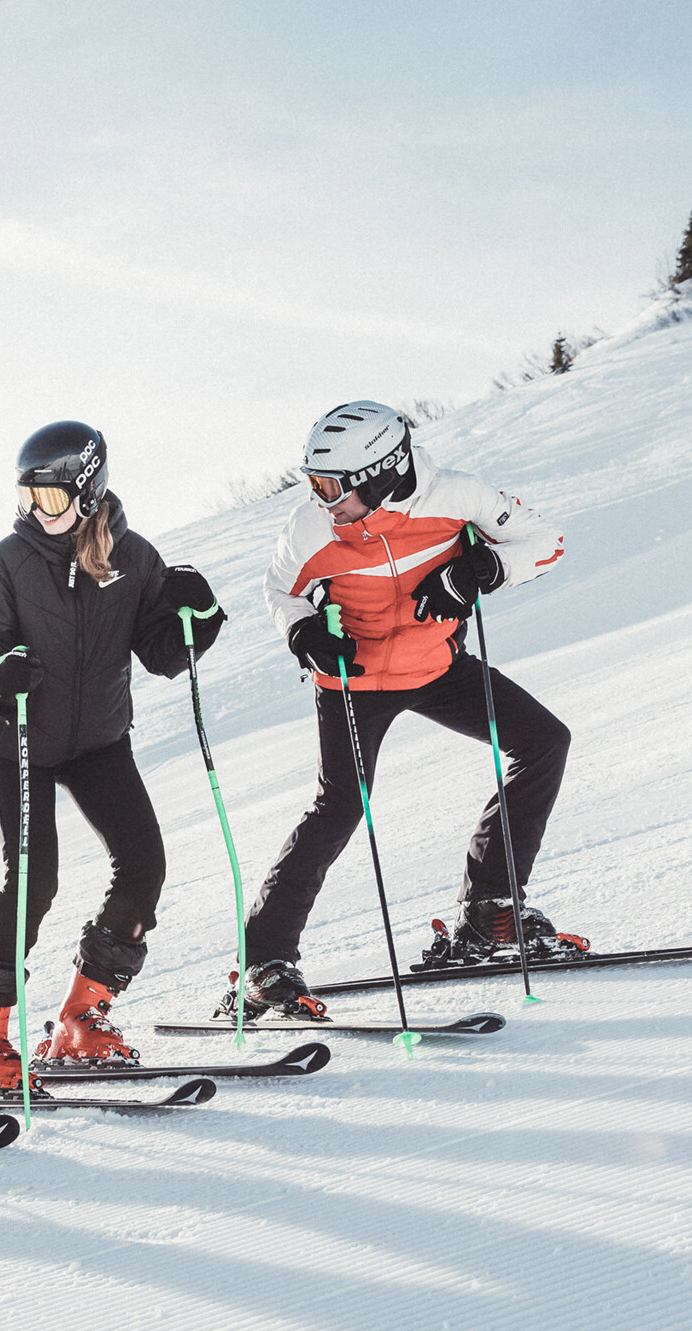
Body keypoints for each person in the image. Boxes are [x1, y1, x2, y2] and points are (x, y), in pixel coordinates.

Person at [226, 400, 577, 1023]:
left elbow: (545, 542)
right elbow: (281, 590)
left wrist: (485, 568)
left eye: (331, 486)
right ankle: (265, 964)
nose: (321, 500)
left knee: (544, 741)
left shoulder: (458, 497)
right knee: (340, 806)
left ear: (380, 474)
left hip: (438, 669)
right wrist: (303, 633)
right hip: (353, 682)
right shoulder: (311, 529)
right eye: (313, 484)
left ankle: (491, 909)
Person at [0, 420, 224, 1085]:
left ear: (87, 490)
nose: (34, 511)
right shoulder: (9, 562)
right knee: (33, 879)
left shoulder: (134, 559)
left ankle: (83, 1016)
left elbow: (163, 654)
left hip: (98, 739)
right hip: (20, 740)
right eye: (26, 497)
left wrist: (199, 616)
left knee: (144, 864)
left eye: (47, 497)